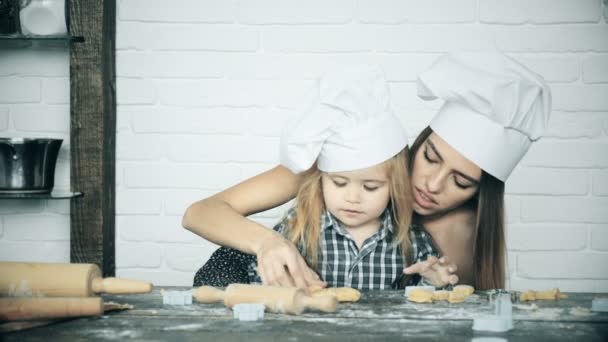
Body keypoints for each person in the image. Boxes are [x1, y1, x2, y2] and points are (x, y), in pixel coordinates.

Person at [183, 50, 551, 290]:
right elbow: (200, 213)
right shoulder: (342, 159)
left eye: (460, 181)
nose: (432, 184)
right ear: (418, 142)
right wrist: (270, 243)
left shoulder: (456, 229)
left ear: (477, 193)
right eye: (431, 157)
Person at [189, 65, 457, 290]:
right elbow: (261, 281)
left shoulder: (412, 242)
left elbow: (425, 304)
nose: (352, 196)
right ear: (320, 178)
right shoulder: (299, 228)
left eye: (371, 186)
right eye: (339, 183)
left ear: (394, 186)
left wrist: (435, 282)